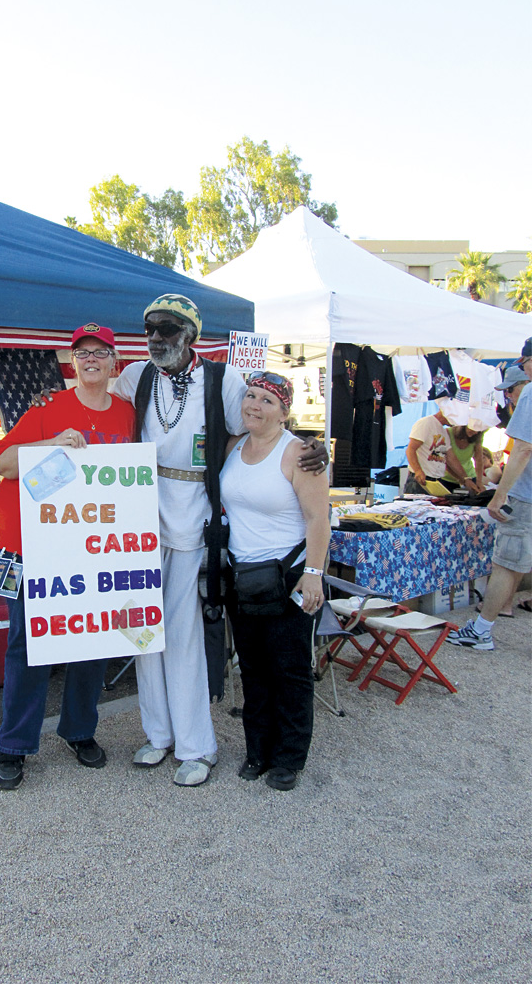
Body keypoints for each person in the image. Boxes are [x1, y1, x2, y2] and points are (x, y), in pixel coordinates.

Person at [112, 295, 328, 786]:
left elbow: (258, 425)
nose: (157, 338)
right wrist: (47, 399)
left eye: (168, 329)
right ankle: (159, 734)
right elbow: (94, 395)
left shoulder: (223, 380)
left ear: (190, 334)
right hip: (138, 521)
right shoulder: (136, 376)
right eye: (150, 328)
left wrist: (310, 447)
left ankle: (196, 747)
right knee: (138, 628)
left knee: (183, 635)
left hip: (193, 521)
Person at [0, 324, 135, 790]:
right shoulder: (47, 408)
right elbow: (3, 465)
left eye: (100, 352)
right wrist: (50, 443)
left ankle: (79, 730)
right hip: (34, 549)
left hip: (94, 551)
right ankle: (14, 744)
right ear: (72, 363)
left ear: (114, 363)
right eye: (82, 352)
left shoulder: (129, 415)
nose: (91, 359)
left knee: (92, 642)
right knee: (27, 647)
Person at [220, 372, 330, 791]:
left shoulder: (299, 453)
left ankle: (288, 758)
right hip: (243, 578)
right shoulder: (233, 446)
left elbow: (319, 518)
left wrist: (314, 575)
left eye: (267, 400)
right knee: (252, 669)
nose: (254, 405)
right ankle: (258, 751)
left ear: (284, 412)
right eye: (250, 396)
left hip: (289, 578)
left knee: (290, 670)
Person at [446, 339, 532, 651]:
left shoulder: (530, 394)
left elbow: (523, 448)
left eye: (524, 363)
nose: (508, 396)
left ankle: (481, 630)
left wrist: (500, 495)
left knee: (506, 564)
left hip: (526, 497)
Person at [404, 402, 481, 495]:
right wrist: (418, 471)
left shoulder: (443, 432)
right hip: (420, 479)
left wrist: (465, 479)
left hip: (436, 481)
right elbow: (410, 450)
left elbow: (451, 458)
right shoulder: (426, 423)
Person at [441, 415, 489, 491]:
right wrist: (463, 479)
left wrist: (479, 482)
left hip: (470, 477)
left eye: (478, 431)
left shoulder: (476, 437)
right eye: (473, 429)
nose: (475, 432)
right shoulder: (447, 433)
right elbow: (447, 460)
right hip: (447, 479)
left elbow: (479, 460)